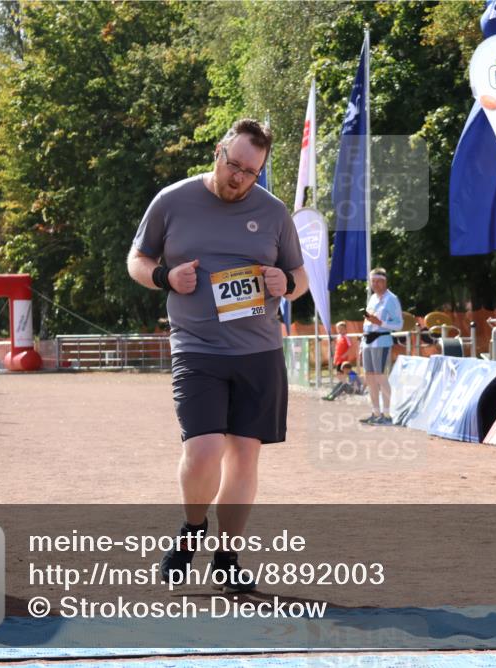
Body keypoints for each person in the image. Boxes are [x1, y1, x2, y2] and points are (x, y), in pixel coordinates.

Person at [126, 118, 308, 593]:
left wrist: (284, 284)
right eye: (235, 166)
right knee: (203, 450)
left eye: (252, 172)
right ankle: (190, 531)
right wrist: (165, 277)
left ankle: (227, 556)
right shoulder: (172, 200)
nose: (240, 179)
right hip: (198, 347)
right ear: (218, 151)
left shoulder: (274, 213)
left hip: (259, 352)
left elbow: (300, 277)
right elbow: (137, 260)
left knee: (244, 457)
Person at [359, 268, 403, 425]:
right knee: (370, 378)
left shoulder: (391, 299)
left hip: (382, 341)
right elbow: (368, 321)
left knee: (381, 377)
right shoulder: (372, 299)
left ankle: (388, 414)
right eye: (373, 281)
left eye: (378, 281)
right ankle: (375, 412)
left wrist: (381, 323)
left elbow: (399, 325)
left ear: (385, 282)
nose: (375, 284)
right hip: (367, 341)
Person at [323, 321, 357, 401]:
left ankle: (338, 392)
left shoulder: (346, 337)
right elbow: (337, 349)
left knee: (342, 377)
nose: (340, 331)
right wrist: (335, 358)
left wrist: (345, 354)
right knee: (339, 376)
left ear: (345, 329)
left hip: (343, 361)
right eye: (338, 329)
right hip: (338, 360)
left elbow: (350, 346)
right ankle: (335, 392)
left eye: (342, 329)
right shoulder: (338, 337)